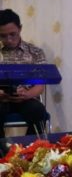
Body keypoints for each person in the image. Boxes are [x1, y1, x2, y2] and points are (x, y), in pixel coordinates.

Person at [0, 9, 48, 141]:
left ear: (20, 29)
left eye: (13, 34)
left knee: (38, 111)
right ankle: (3, 148)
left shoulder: (35, 52)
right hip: (2, 99)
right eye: (3, 36)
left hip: (27, 99)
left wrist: (27, 94)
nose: (9, 40)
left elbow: (40, 84)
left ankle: (30, 148)